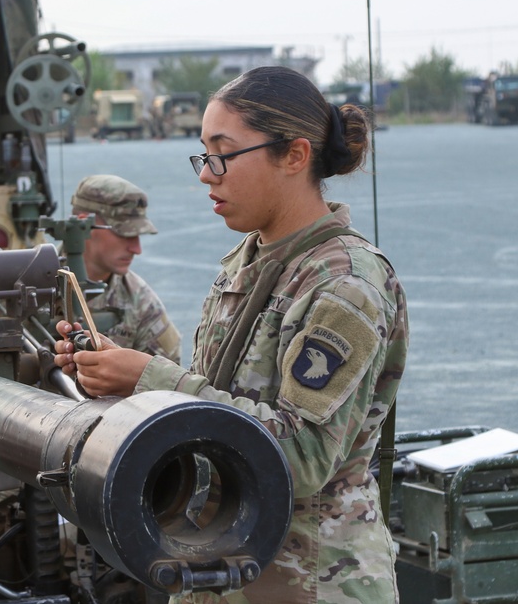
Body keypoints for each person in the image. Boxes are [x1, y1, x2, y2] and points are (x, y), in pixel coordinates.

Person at [55, 66, 409, 603]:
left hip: (308, 581)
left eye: (223, 153)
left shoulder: (344, 284)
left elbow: (302, 456)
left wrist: (150, 378)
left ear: (294, 156)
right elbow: (213, 402)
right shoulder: (250, 262)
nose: (207, 174)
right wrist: (116, 379)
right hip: (219, 569)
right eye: (204, 153)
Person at [70, 174, 181, 363]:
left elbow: (167, 381)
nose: (136, 249)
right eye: (125, 234)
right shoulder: (27, 285)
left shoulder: (141, 303)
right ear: (84, 225)